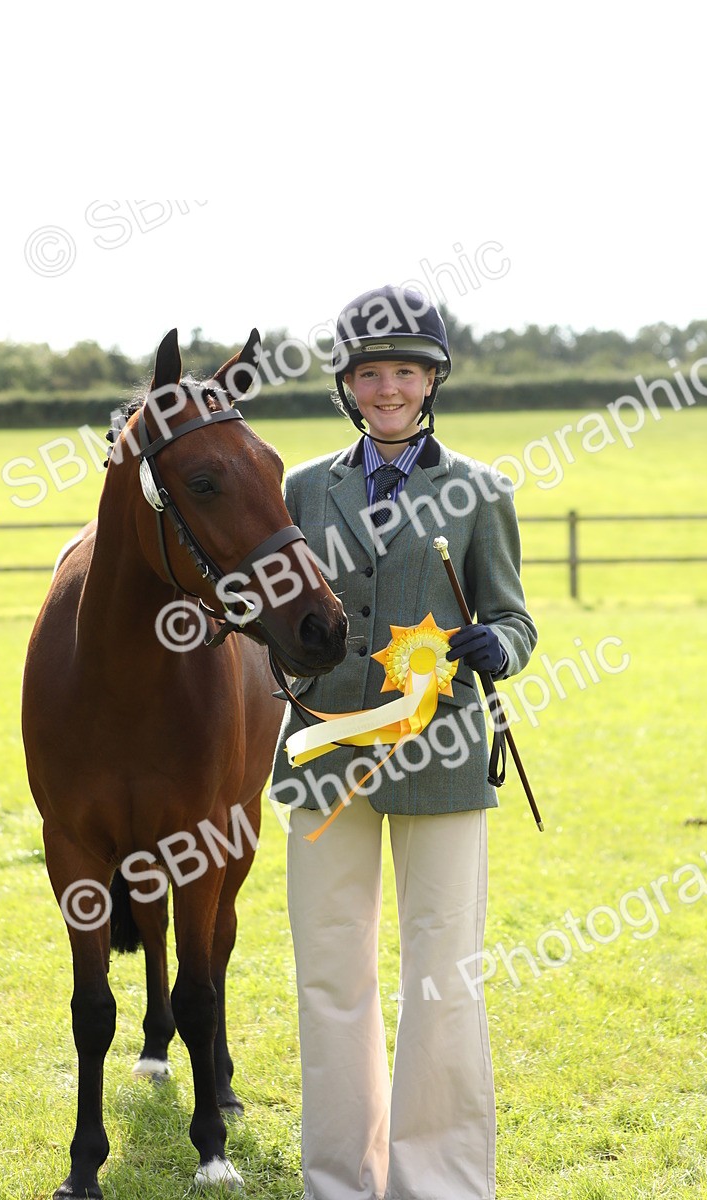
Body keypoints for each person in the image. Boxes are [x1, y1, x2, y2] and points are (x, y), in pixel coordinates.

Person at [269, 284, 537, 1200]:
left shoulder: (481, 489)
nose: (388, 387)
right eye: (371, 372)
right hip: (326, 749)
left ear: (432, 381)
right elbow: (274, 611)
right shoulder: (302, 489)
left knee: (444, 973)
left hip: (443, 754)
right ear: (348, 385)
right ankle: (341, 1179)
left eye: (406, 372)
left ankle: (441, 1182)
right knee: (330, 973)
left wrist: (499, 644)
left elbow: (514, 616)